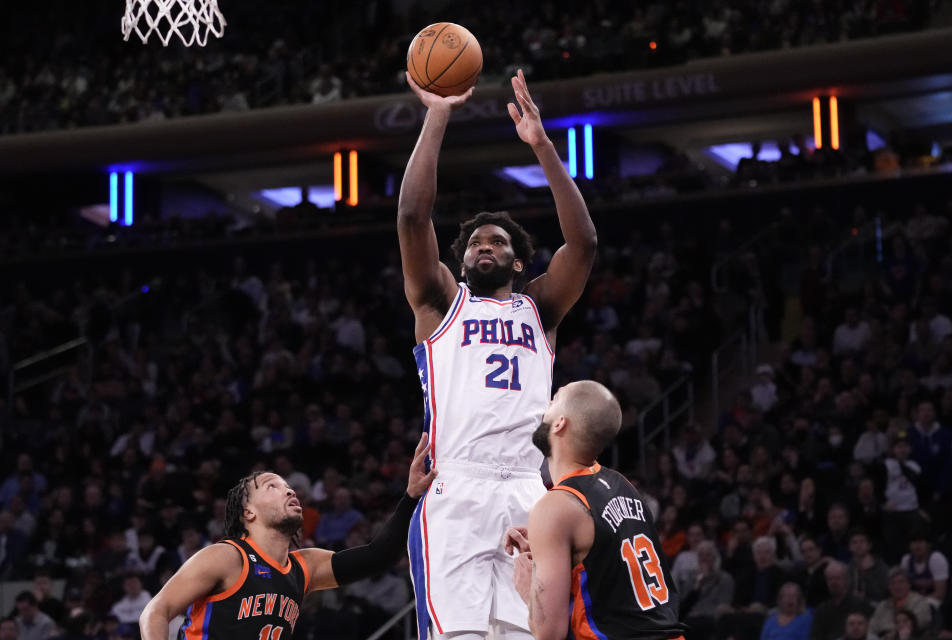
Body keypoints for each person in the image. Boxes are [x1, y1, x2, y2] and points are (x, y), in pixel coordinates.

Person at [397, 66, 597, 640]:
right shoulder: (439, 302)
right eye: (475, 243)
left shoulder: (541, 309)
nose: (486, 245)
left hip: (527, 488)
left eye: (499, 242)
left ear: (517, 263)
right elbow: (412, 216)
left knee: (528, 634)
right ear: (461, 263)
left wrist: (542, 147)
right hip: (457, 485)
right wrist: (438, 115)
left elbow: (583, 243)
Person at [139, 434, 437, 640]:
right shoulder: (226, 557)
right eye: (272, 486)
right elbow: (156, 611)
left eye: (288, 486)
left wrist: (411, 496)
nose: (289, 490)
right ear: (249, 513)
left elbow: (378, 555)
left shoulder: (304, 567)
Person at [506, 381, 683, 640]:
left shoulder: (555, 508)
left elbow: (549, 634)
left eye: (554, 399)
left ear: (560, 424)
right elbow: (609, 567)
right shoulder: (623, 485)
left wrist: (527, 588)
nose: (546, 406)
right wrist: (553, 548)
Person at [809, 561, 872, 640]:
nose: (833, 582)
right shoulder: (822, 609)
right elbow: (815, 637)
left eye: (837, 578)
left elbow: (869, 632)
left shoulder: (860, 604)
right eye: (830, 579)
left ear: (846, 580)